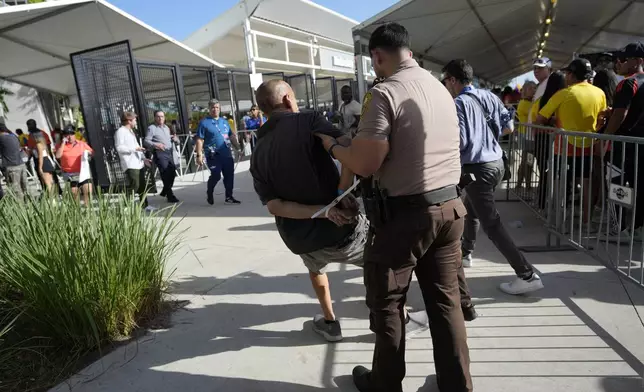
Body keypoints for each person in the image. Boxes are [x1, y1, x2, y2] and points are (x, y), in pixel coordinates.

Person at [316, 23, 472, 392]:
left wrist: (334, 147)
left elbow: (367, 162)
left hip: (406, 218)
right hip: (450, 210)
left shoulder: (385, 92)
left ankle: (384, 384)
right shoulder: (439, 87)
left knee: (386, 304)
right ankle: (457, 385)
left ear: (377, 56)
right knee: (446, 303)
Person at [251, 79, 366, 342]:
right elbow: (349, 148)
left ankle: (330, 322)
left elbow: (274, 206)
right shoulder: (308, 120)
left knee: (316, 271)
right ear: (289, 99)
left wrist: (322, 211)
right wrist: (340, 194)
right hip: (344, 231)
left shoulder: (257, 153)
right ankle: (394, 316)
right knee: (378, 262)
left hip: (302, 239)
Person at [442, 59, 544, 296]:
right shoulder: (488, 96)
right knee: (472, 209)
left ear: (454, 80)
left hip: (477, 168)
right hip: (497, 164)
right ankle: (466, 253)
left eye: (445, 80)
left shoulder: (458, 104)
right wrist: (487, 136)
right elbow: (509, 128)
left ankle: (526, 274)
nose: (445, 85)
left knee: (492, 224)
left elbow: (462, 142)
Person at [535, 58, 607, 225]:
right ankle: (586, 221)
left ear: (573, 75)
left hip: (564, 147)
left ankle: (560, 221)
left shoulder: (564, 94)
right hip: (589, 145)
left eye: (567, 73)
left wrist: (554, 121)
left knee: (561, 182)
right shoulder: (599, 93)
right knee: (586, 182)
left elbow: (540, 118)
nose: (565, 76)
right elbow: (602, 118)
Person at [602, 42, 644, 238]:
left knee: (617, 185)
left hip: (623, 145)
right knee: (639, 185)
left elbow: (621, 113)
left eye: (624, 59)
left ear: (638, 61)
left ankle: (617, 229)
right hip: (639, 145)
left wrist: (605, 136)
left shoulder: (627, 83)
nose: (619, 63)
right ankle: (637, 228)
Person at [195, 99, 242, 206]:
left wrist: (238, 148)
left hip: (226, 153)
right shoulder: (204, 122)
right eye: (213, 107)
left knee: (229, 175)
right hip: (213, 155)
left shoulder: (224, 121)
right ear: (209, 109)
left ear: (219, 109)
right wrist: (199, 155)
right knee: (216, 175)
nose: (215, 109)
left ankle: (229, 197)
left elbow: (231, 136)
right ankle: (210, 191)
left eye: (217, 107)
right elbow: (199, 140)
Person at [533, 71, 567, 210]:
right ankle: (549, 203)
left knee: (545, 173)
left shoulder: (543, 98)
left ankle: (542, 202)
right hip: (550, 140)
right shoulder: (558, 97)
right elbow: (541, 119)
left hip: (542, 139)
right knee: (552, 174)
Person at [114, 112, 149, 208]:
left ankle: (145, 205)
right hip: (130, 164)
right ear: (129, 121)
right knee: (135, 185)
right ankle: (125, 206)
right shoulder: (120, 132)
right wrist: (134, 149)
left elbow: (137, 146)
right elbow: (119, 148)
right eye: (134, 120)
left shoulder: (131, 132)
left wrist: (144, 158)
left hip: (138, 163)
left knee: (142, 185)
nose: (136, 121)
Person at [144, 110, 179, 203]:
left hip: (169, 152)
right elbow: (146, 141)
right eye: (158, 116)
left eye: (162, 116)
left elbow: (169, 139)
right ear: (155, 118)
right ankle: (170, 195)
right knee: (165, 173)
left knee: (172, 173)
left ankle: (165, 190)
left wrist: (174, 139)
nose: (160, 118)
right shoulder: (152, 128)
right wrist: (156, 145)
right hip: (160, 152)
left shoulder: (166, 127)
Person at [55, 125, 94, 205]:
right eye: (67, 134)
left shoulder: (81, 144)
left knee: (88, 190)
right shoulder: (60, 146)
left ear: (74, 134)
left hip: (82, 172)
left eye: (71, 134)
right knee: (74, 193)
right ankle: (77, 210)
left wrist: (88, 154)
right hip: (70, 173)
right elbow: (58, 156)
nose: (70, 136)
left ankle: (88, 208)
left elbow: (92, 152)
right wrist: (63, 143)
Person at [515, 81, 538, 190]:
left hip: (527, 135)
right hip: (526, 135)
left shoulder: (529, 102)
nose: (533, 90)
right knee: (528, 161)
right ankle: (526, 185)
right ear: (525, 90)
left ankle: (520, 184)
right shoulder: (525, 103)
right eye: (531, 88)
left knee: (526, 160)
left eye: (535, 88)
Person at [0, 124, 29, 200]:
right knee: (25, 188)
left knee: (16, 191)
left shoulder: (1, 138)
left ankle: (21, 210)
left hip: (11, 167)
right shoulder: (14, 137)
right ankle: (31, 206)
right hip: (21, 165)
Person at [32, 131, 55, 198]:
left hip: (44, 162)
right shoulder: (44, 143)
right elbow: (47, 154)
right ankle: (54, 197)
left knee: (47, 183)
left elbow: (40, 156)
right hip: (47, 161)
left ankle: (52, 198)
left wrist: (40, 167)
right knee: (50, 182)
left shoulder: (38, 144)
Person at [529, 57, 553, 123]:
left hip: (544, 130)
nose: (536, 70)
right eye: (535, 68)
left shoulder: (552, 85)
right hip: (535, 129)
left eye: (540, 68)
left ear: (549, 70)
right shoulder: (539, 86)